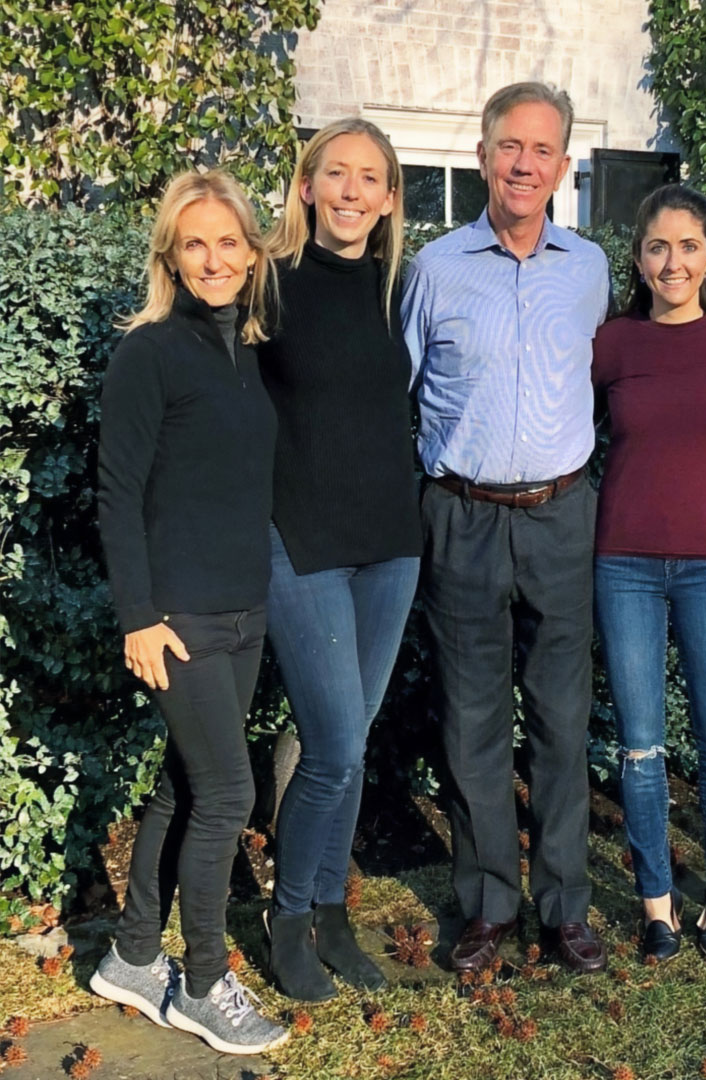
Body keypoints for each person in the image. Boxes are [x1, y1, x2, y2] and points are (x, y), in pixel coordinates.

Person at [403, 82, 610, 974]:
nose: (525, 164)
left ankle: (564, 905)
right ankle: (488, 903)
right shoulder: (436, 268)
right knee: (473, 721)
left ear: (564, 165)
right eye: (509, 147)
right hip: (462, 517)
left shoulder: (590, 267)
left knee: (563, 720)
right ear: (485, 155)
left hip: (563, 515)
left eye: (542, 149)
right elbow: (399, 393)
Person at [92, 170, 288, 1053]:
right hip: (177, 618)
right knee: (227, 793)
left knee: (185, 784)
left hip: (243, 608)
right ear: (172, 253)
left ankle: (132, 959)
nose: (214, 258)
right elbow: (117, 494)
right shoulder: (150, 350)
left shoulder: (245, 349)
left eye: (230, 242)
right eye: (195, 242)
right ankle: (202, 985)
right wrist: (137, 615)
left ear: (252, 253)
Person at [257, 118, 421, 1001]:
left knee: (350, 744)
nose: (353, 191)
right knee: (328, 747)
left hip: (390, 547)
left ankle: (331, 915)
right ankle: (289, 921)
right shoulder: (266, 285)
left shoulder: (401, 288)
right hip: (301, 547)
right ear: (310, 184)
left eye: (370, 178)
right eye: (337, 175)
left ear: (390, 197)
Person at [593, 184, 706, 963]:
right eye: (658, 247)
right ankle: (657, 903)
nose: (673, 261)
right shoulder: (614, 342)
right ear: (639, 258)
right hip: (623, 563)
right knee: (640, 745)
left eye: (688, 245)